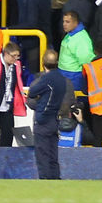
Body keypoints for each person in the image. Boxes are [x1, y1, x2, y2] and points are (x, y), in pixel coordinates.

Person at [25, 49, 69, 179]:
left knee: (42, 155)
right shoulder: (62, 79)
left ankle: (45, 180)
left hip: (43, 120)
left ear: (43, 63)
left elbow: (32, 92)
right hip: (55, 120)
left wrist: (39, 99)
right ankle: (56, 179)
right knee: (52, 155)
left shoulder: (47, 79)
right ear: (57, 63)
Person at [0, 42, 26, 148]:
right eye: (13, 56)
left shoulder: (16, 65)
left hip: (7, 106)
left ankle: (4, 160)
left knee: (8, 135)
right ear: (5, 53)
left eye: (17, 56)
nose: (15, 59)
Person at [59, 9, 93, 91]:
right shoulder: (70, 34)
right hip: (66, 75)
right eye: (63, 21)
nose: (64, 24)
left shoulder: (81, 39)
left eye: (67, 22)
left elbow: (85, 60)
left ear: (75, 22)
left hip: (74, 78)